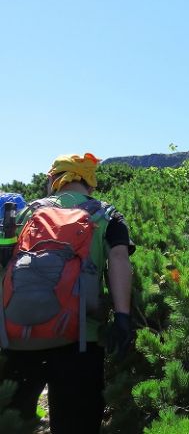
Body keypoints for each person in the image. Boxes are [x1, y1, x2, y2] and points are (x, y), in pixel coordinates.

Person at [0, 153, 135, 434]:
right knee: (77, 424)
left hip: (18, 335)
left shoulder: (25, 213)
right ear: (90, 182)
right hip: (80, 337)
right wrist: (122, 316)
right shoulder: (106, 213)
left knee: (13, 422)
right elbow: (120, 260)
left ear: (53, 180)